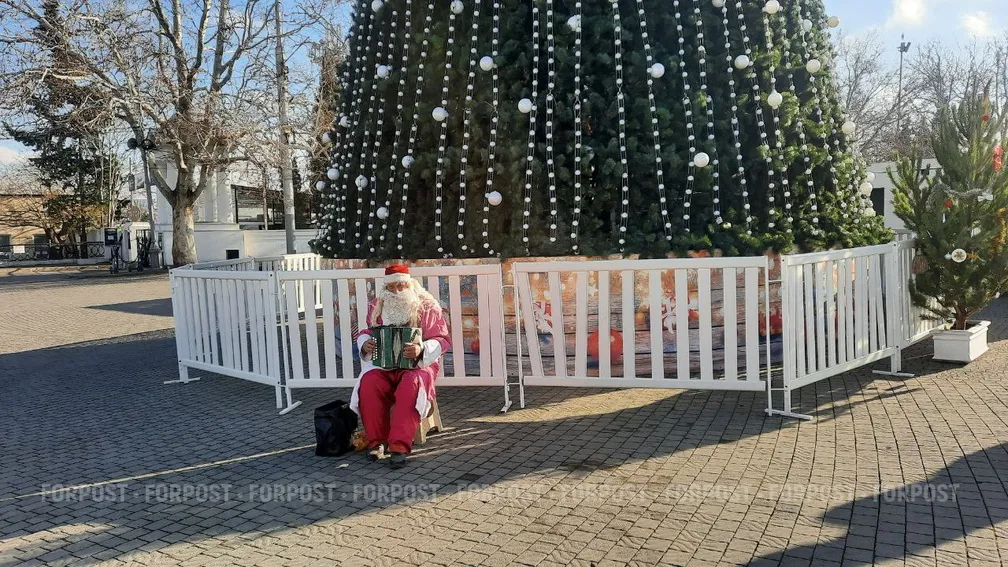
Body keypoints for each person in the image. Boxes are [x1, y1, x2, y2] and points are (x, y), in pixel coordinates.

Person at [350, 265, 450, 468]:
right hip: (384, 365)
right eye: (392, 287)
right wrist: (365, 343)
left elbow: (441, 339)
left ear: (409, 284)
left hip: (417, 366)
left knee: (411, 385)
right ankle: (377, 441)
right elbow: (368, 331)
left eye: (401, 285)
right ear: (385, 288)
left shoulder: (427, 306)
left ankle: (399, 446)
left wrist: (421, 349)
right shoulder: (378, 305)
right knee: (369, 383)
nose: (396, 291)